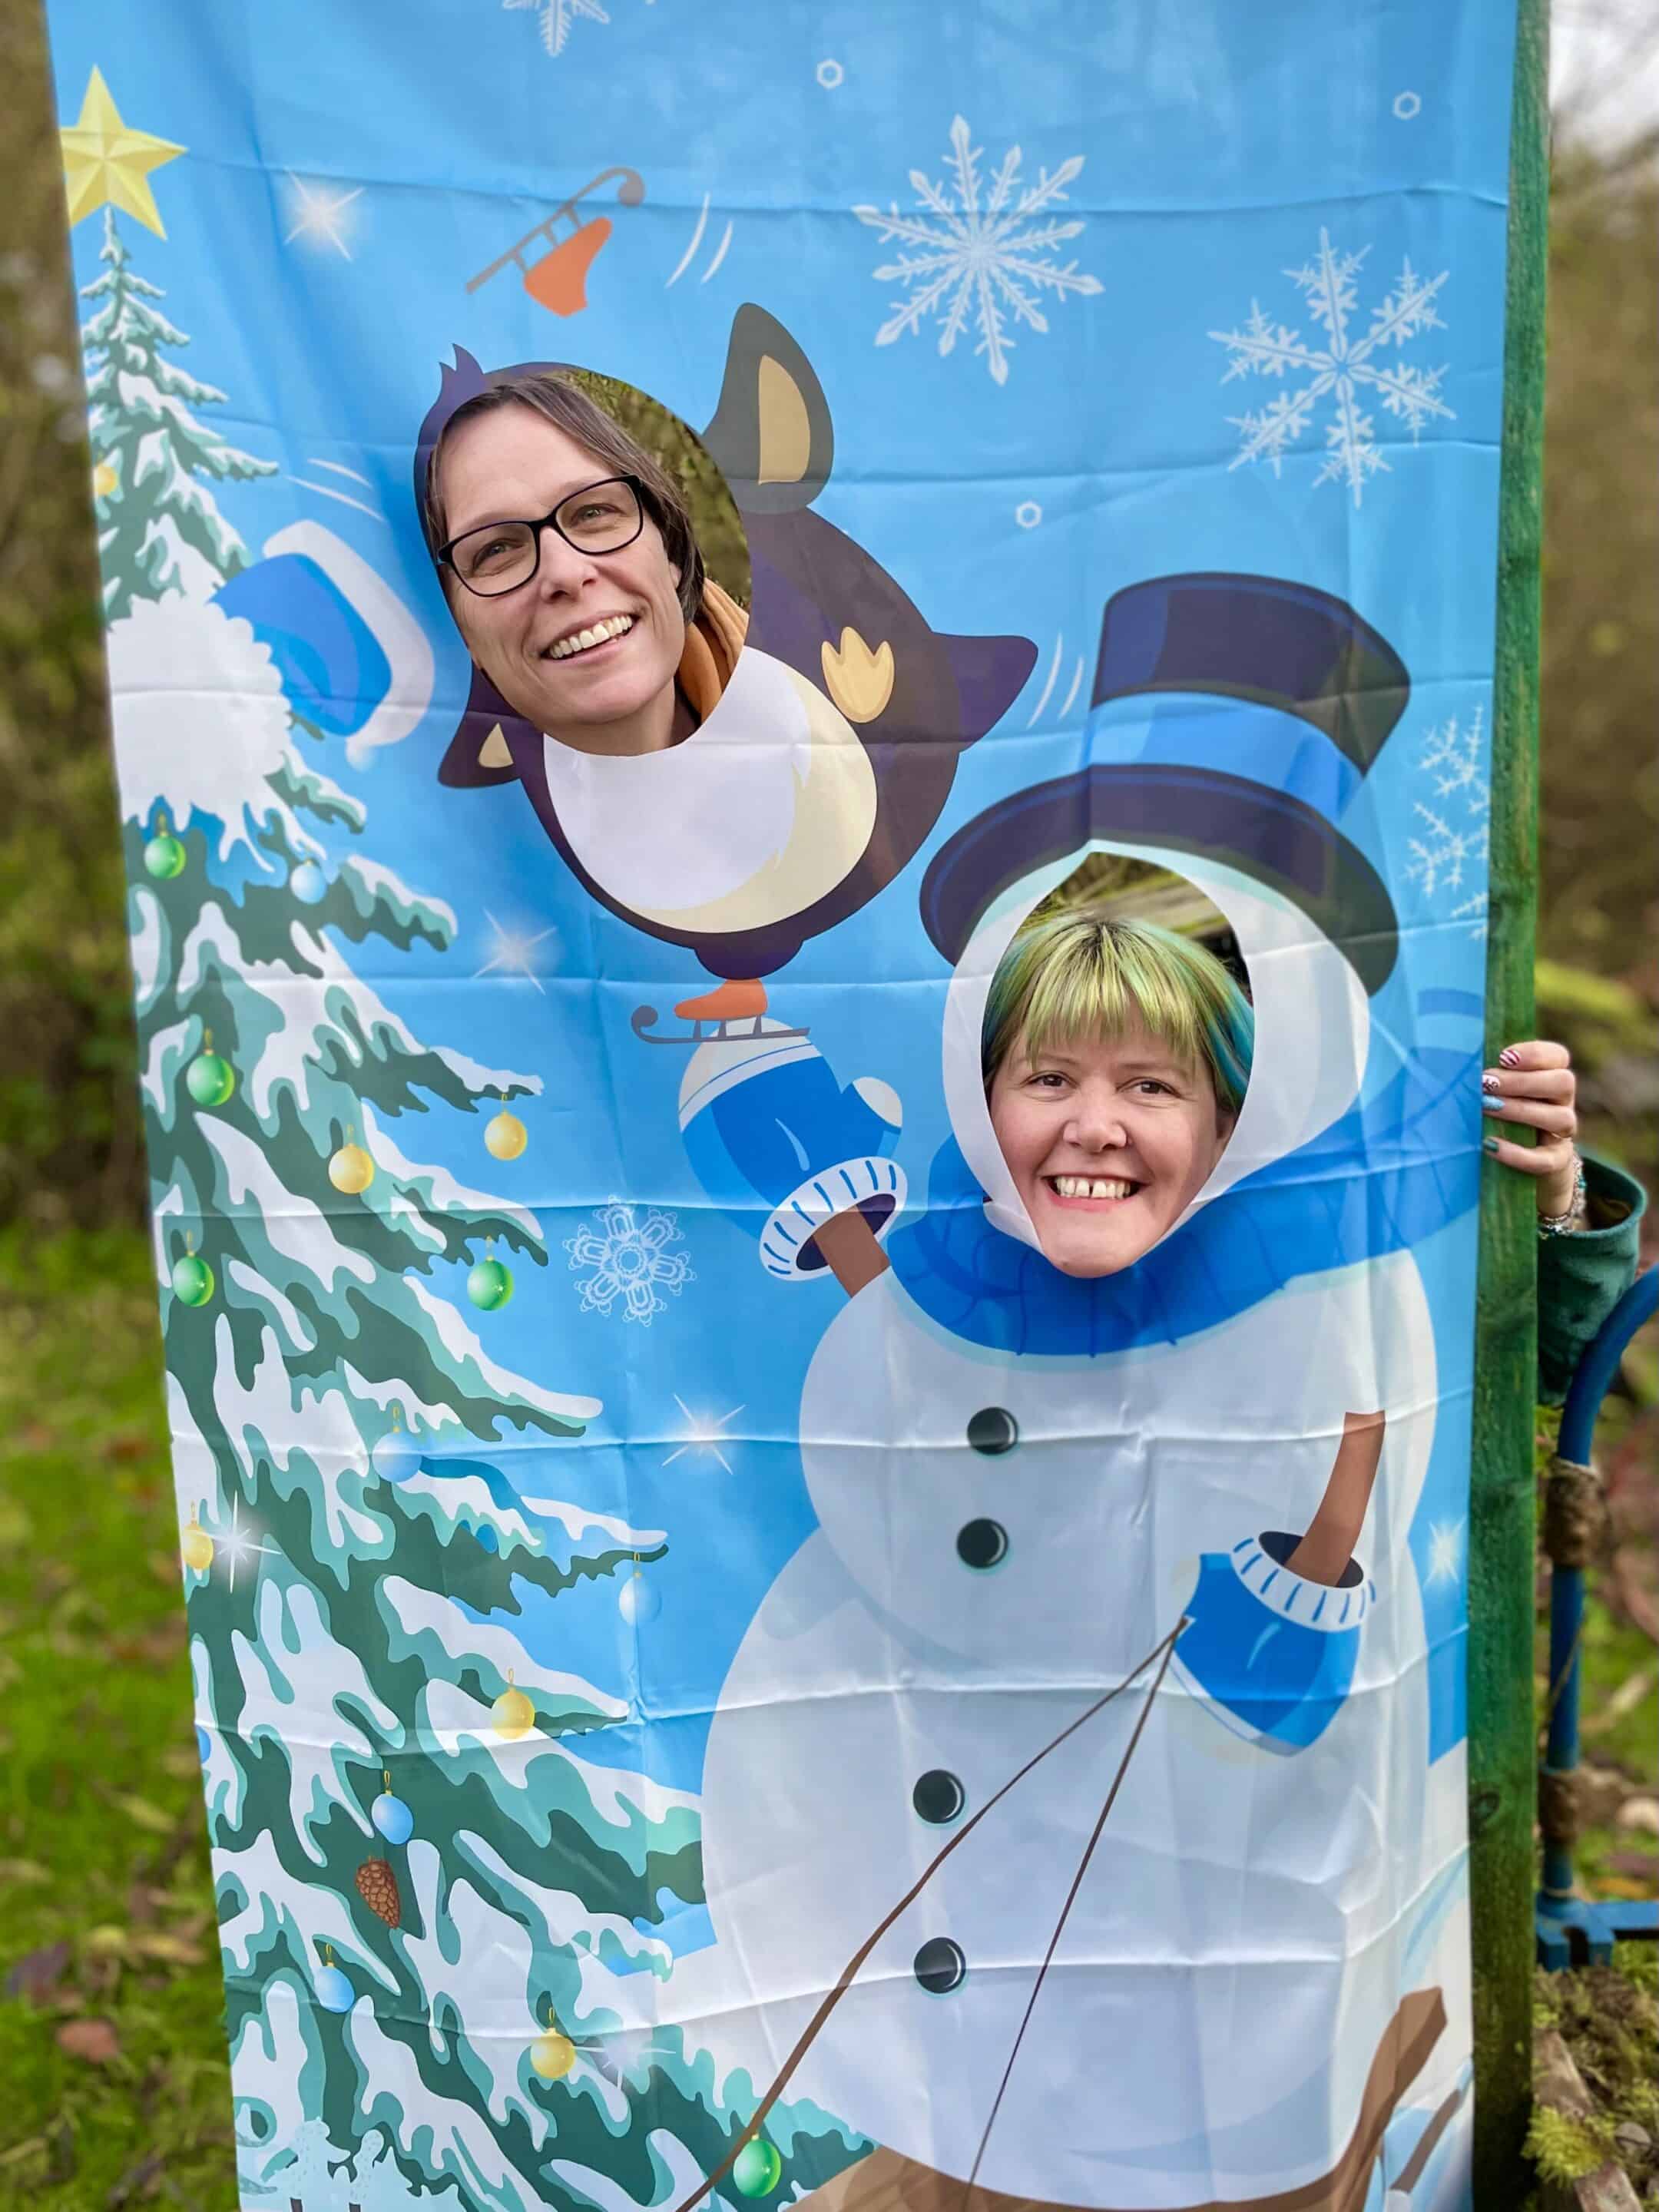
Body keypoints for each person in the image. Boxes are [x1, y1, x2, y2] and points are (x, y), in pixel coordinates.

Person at [981, 906, 1644, 1398]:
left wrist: (1555, 1202)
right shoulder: (889, 1296)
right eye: (1049, 1079)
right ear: (978, 1104)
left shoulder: (1324, 1288)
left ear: (1227, 1125)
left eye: (1150, 1085)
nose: (1095, 1129)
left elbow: (1557, 1374)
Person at [419, 368, 747, 760]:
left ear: (670, 549)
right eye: (496, 550)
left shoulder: (818, 720)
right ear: (459, 628)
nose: (567, 574)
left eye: (593, 512)